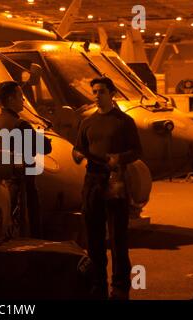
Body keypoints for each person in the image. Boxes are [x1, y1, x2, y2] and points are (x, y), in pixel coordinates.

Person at [73, 77, 142, 300]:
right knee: (93, 238)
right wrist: (77, 155)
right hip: (92, 182)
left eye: (101, 91)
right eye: (94, 91)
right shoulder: (87, 122)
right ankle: (97, 285)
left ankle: (120, 287)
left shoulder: (124, 122)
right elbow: (77, 149)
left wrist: (119, 158)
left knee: (118, 238)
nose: (96, 95)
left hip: (115, 182)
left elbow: (137, 151)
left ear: (111, 93)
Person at [0, 81, 52, 238]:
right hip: (24, 185)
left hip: (9, 182)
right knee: (30, 226)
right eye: (20, 96)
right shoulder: (20, 124)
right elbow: (46, 148)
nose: (23, 100)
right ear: (11, 99)